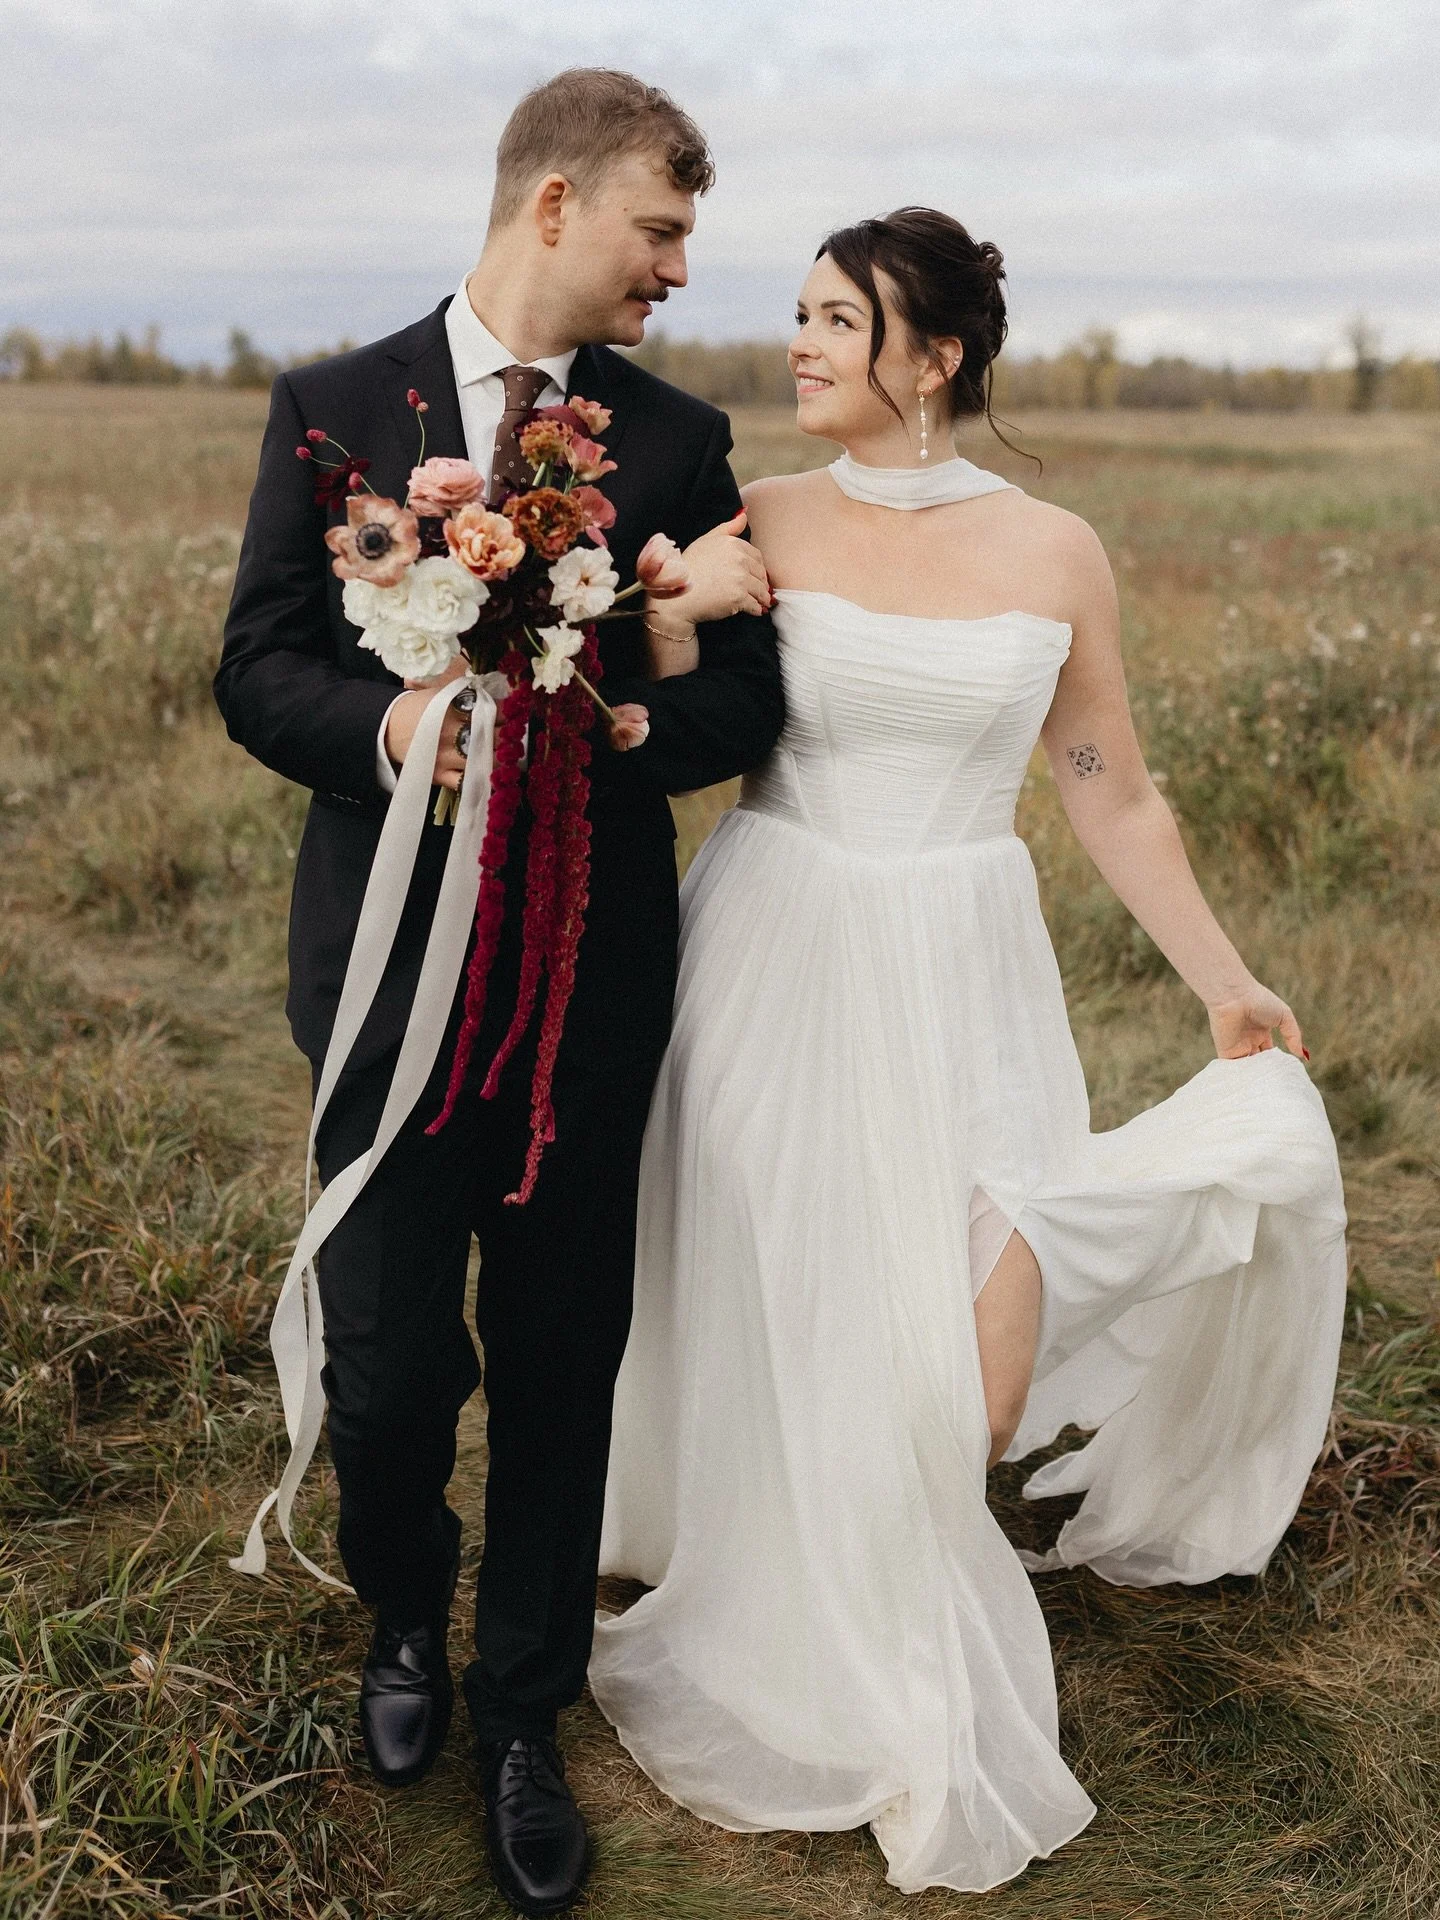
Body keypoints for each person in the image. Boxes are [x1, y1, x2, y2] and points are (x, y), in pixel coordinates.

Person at [590, 207, 1348, 1896]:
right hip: (782, 926)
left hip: (967, 950)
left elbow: (1109, 787)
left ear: (932, 357)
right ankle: (774, 1556)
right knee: (786, 1264)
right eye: (796, 315)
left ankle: (902, 1524)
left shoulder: (1055, 549)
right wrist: (662, 611)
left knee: (980, 1302)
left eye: (837, 323)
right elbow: (666, 715)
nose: (798, 346)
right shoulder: (757, 514)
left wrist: (1223, 977)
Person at [215, 68, 783, 1919]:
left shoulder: (679, 441)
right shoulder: (334, 412)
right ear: (554, 205)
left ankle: (527, 1705)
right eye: (659, 230)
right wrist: (396, 723)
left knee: (559, 1360)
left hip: (586, 984)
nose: (681, 270)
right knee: (388, 1372)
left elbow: (738, 701)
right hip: (385, 983)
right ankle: (401, 1612)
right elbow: (260, 667)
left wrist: (615, 720)